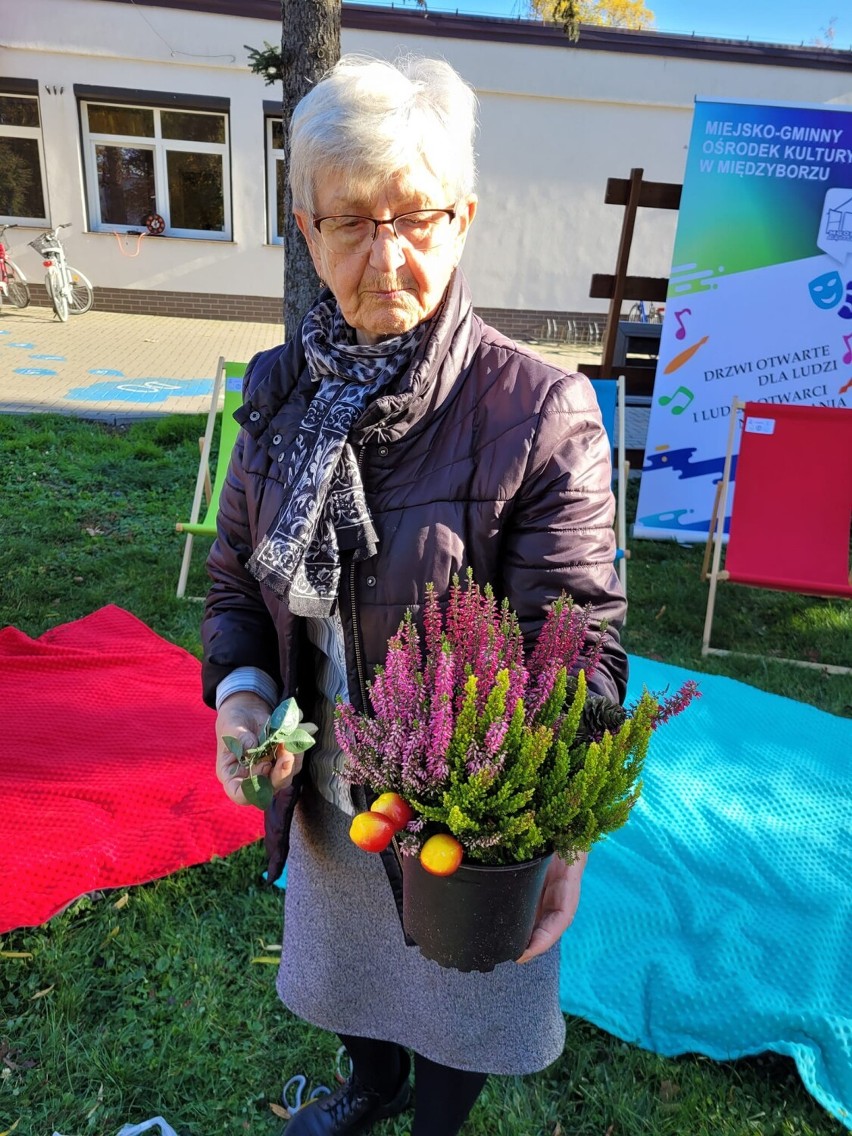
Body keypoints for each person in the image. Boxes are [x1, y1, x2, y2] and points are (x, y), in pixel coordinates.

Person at [202, 53, 627, 1136]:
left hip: (466, 815)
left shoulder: (541, 412)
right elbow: (237, 582)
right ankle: (370, 1086)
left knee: (460, 996)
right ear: (306, 229)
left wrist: (560, 834)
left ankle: (433, 1119)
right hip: (331, 790)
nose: (385, 254)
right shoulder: (278, 396)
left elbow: (575, 648)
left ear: (464, 217)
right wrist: (245, 699)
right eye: (350, 221)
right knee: (356, 975)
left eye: (416, 216)